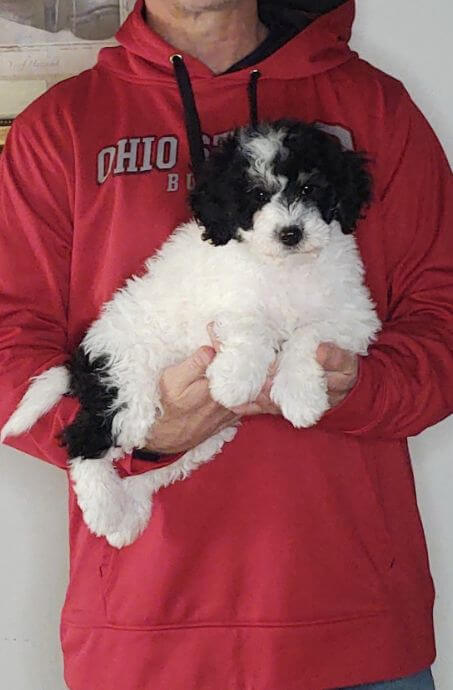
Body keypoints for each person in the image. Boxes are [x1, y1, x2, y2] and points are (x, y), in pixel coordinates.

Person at [0, 0, 451, 688]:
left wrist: (361, 388)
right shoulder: (61, 125)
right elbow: (6, 342)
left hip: (350, 624)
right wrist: (131, 431)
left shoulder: (373, 107)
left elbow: (442, 317)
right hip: (145, 632)